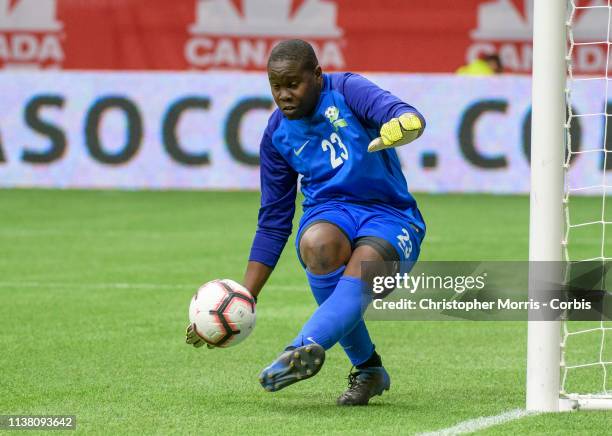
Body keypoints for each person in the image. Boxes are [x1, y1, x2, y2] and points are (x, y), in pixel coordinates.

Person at [186, 39, 426, 406]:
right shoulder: (276, 135)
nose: (283, 95)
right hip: (329, 211)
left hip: (389, 214)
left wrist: (406, 123)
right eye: (275, 86)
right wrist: (242, 299)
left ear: (317, 75)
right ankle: (364, 368)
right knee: (317, 245)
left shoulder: (346, 90)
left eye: (292, 84)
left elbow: (398, 112)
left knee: (367, 267)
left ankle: (312, 350)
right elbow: (273, 221)